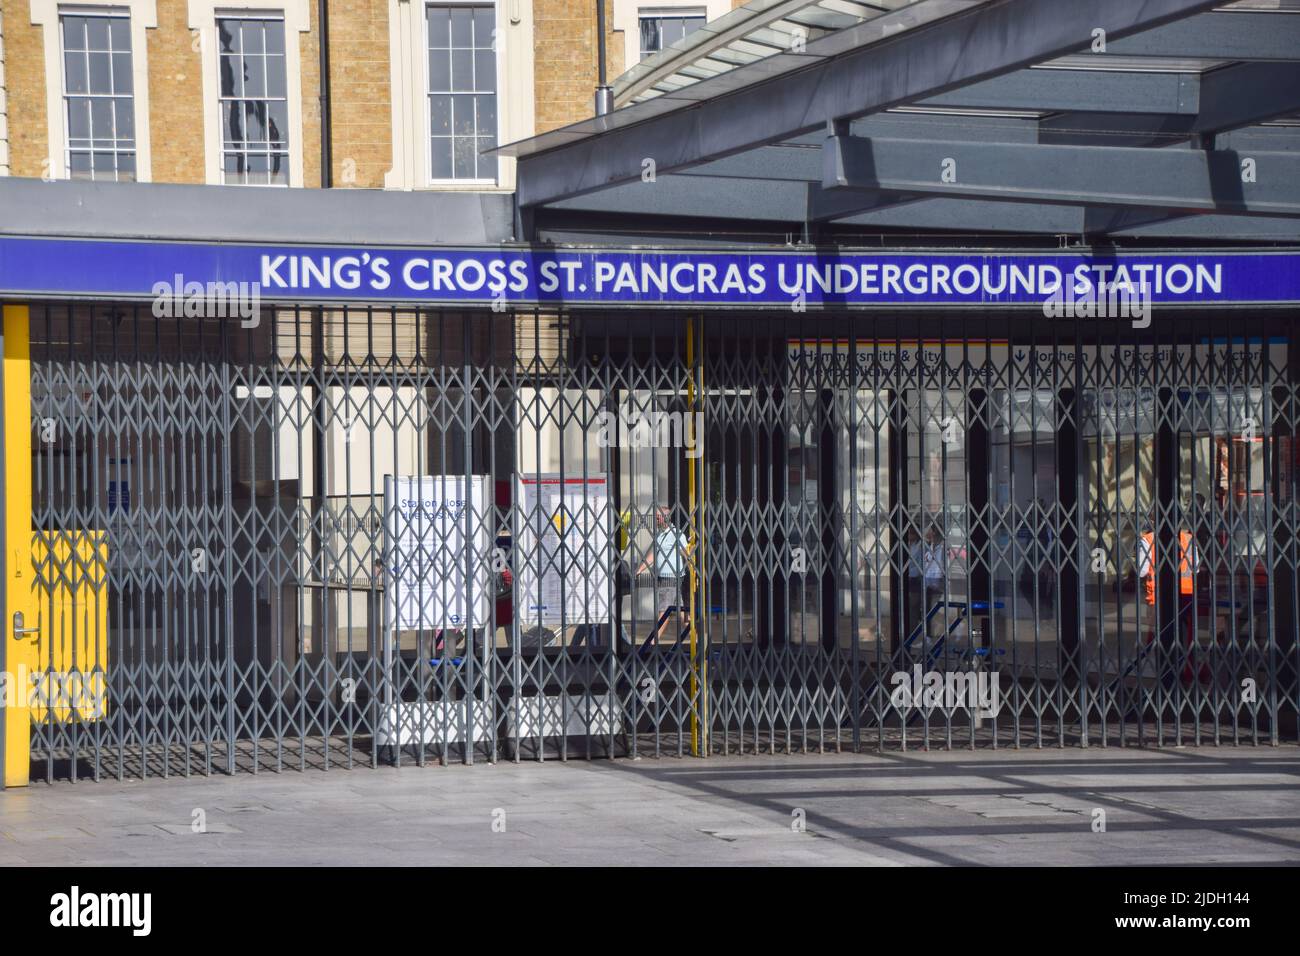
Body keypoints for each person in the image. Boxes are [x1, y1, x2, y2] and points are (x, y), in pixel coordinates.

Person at [1137, 519, 1206, 688]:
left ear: (1154, 520)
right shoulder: (1188, 538)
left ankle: (1166, 677)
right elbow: (1195, 567)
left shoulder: (1147, 540)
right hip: (1186, 596)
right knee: (1181, 637)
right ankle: (1180, 673)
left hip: (1159, 597)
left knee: (1161, 636)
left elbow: (1142, 570)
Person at [636, 506, 689, 643]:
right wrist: (641, 568)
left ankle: (654, 641)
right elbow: (654, 555)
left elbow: (686, 554)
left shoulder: (677, 534)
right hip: (664, 578)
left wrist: (694, 568)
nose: (657, 519)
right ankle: (698, 636)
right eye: (656, 517)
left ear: (666, 517)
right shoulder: (660, 534)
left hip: (671, 578)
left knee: (664, 610)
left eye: (659, 517)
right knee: (681, 612)